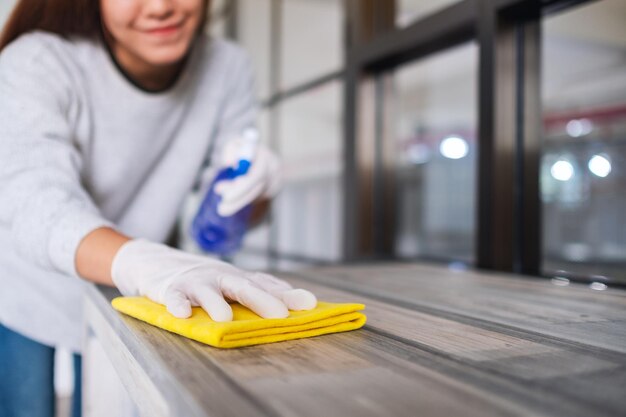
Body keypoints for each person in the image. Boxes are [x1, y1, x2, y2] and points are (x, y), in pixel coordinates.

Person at [0, 1, 317, 416]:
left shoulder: (226, 67)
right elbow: (31, 200)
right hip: (31, 279)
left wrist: (251, 195)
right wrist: (141, 260)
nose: (161, 7)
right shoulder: (37, 60)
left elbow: (218, 225)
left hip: (138, 288)